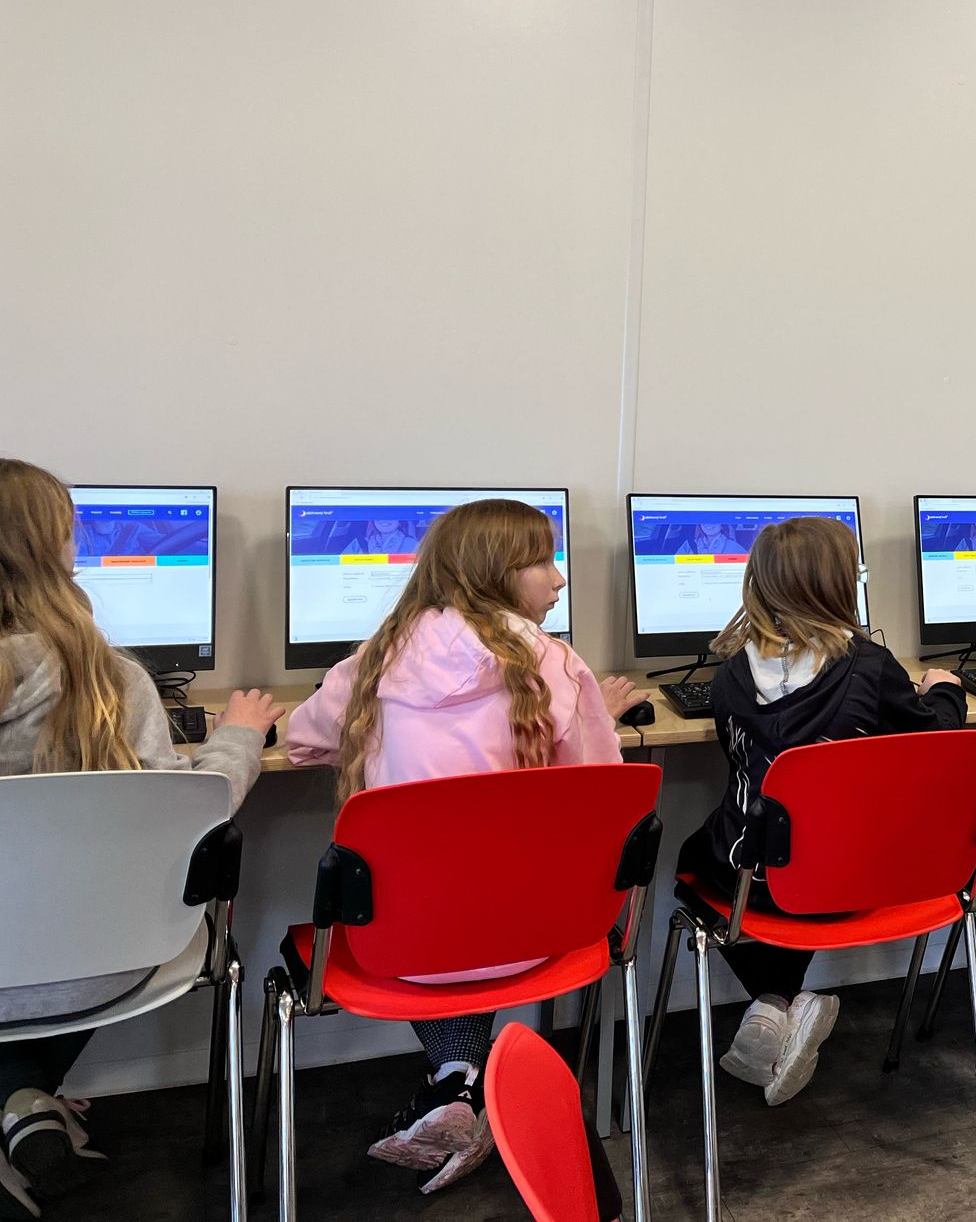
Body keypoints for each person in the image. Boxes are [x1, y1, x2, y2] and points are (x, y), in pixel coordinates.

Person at [287, 499, 642, 1195]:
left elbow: (302, 741)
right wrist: (596, 711)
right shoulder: (555, 664)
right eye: (543, 562)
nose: (559, 580)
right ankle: (459, 1085)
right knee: (485, 893)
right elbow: (606, 791)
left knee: (443, 902)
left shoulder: (378, 660)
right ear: (494, 573)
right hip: (537, 932)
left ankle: (457, 1082)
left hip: (404, 946)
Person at [0, 459, 280, 1217]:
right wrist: (240, 735)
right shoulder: (110, 681)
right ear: (52, 548)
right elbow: (196, 810)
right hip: (107, 966)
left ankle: (20, 1099)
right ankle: (24, 1097)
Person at [673, 516, 966, 1106]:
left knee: (695, 861)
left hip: (750, 882)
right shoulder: (869, 666)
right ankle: (783, 1002)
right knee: (816, 844)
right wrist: (946, 689)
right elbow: (935, 739)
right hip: (853, 880)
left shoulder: (729, 674)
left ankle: (772, 1002)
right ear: (838, 586)